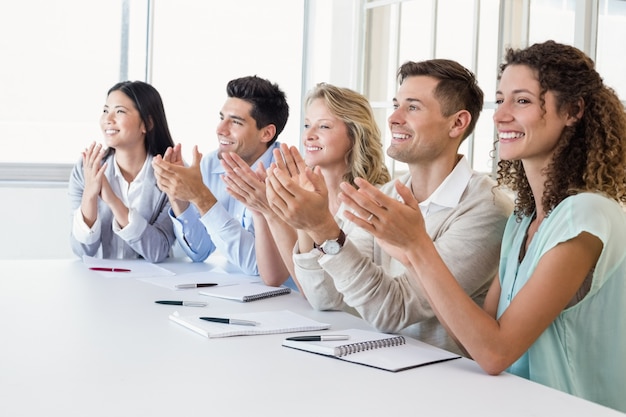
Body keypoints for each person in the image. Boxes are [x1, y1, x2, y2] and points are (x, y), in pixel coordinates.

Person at [341, 41, 626, 411]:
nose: (499, 115)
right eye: (501, 99)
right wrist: (411, 253)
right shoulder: (524, 220)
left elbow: (495, 353)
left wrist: (418, 248)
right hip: (510, 403)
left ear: (572, 110)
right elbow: (471, 339)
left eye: (521, 101)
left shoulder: (587, 217)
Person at [265, 59, 514, 354]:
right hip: (377, 365)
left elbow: (393, 311)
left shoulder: (486, 209)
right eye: (396, 104)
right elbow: (326, 297)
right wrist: (309, 225)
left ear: (457, 123)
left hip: (441, 382)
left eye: (412, 107)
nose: (393, 118)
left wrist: (323, 228)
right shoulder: (383, 195)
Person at [220, 83, 390, 290]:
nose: (308, 136)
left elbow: (320, 291)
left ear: (355, 135)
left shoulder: (372, 202)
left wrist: (273, 213)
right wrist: (261, 211)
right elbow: (274, 276)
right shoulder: (299, 191)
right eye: (307, 125)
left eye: (324, 126)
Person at [151, 76, 289, 275]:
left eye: (235, 122)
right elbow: (200, 251)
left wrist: (201, 197)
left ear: (266, 134)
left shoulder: (286, 176)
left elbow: (257, 266)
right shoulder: (211, 164)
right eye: (221, 118)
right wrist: (179, 197)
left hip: (284, 298)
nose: (220, 129)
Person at [68, 81, 176, 263]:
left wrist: (112, 199)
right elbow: (82, 251)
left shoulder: (171, 173)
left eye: (119, 111)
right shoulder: (85, 168)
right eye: (105, 111)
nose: (107, 119)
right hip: (98, 281)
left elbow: (157, 250)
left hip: (150, 284)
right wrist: (90, 195)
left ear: (147, 123)